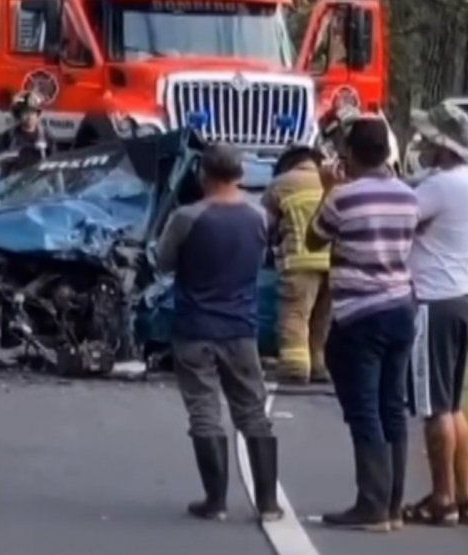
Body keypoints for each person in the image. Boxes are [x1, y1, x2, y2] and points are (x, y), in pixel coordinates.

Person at [155, 143, 281, 524]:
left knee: (204, 411)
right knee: (252, 410)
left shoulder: (187, 217)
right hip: (241, 326)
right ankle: (268, 503)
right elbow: (259, 260)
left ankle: (216, 501)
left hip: (195, 326)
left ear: (201, 174)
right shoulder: (260, 217)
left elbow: (163, 262)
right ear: (241, 174)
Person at [307, 116, 419, 532]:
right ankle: (393, 505)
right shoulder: (408, 196)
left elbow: (314, 239)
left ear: (351, 154)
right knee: (394, 406)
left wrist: (328, 189)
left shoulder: (344, 197)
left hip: (359, 313)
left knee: (365, 407)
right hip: (401, 305)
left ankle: (370, 503)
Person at [401, 102, 468, 527]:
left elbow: (403, 218)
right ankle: (466, 496)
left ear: (444, 145)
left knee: (433, 407)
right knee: (453, 406)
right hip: (462, 299)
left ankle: (442, 498)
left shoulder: (440, 187)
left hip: (432, 303)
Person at [262, 145, 332, 385]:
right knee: (321, 318)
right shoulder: (332, 181)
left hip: (299, 261)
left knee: (295, 314)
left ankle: (294, 367)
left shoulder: (280, 184)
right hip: (335, 263)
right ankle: (318, 365)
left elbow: (265, 227)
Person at [0, 90, 54, 159]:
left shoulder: (46, 137)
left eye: (32, 112)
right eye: (26, 112)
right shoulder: (9, 137)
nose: (29, 116)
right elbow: (0, 160)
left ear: (38, 114)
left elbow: (53, 161)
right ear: (18, 114)